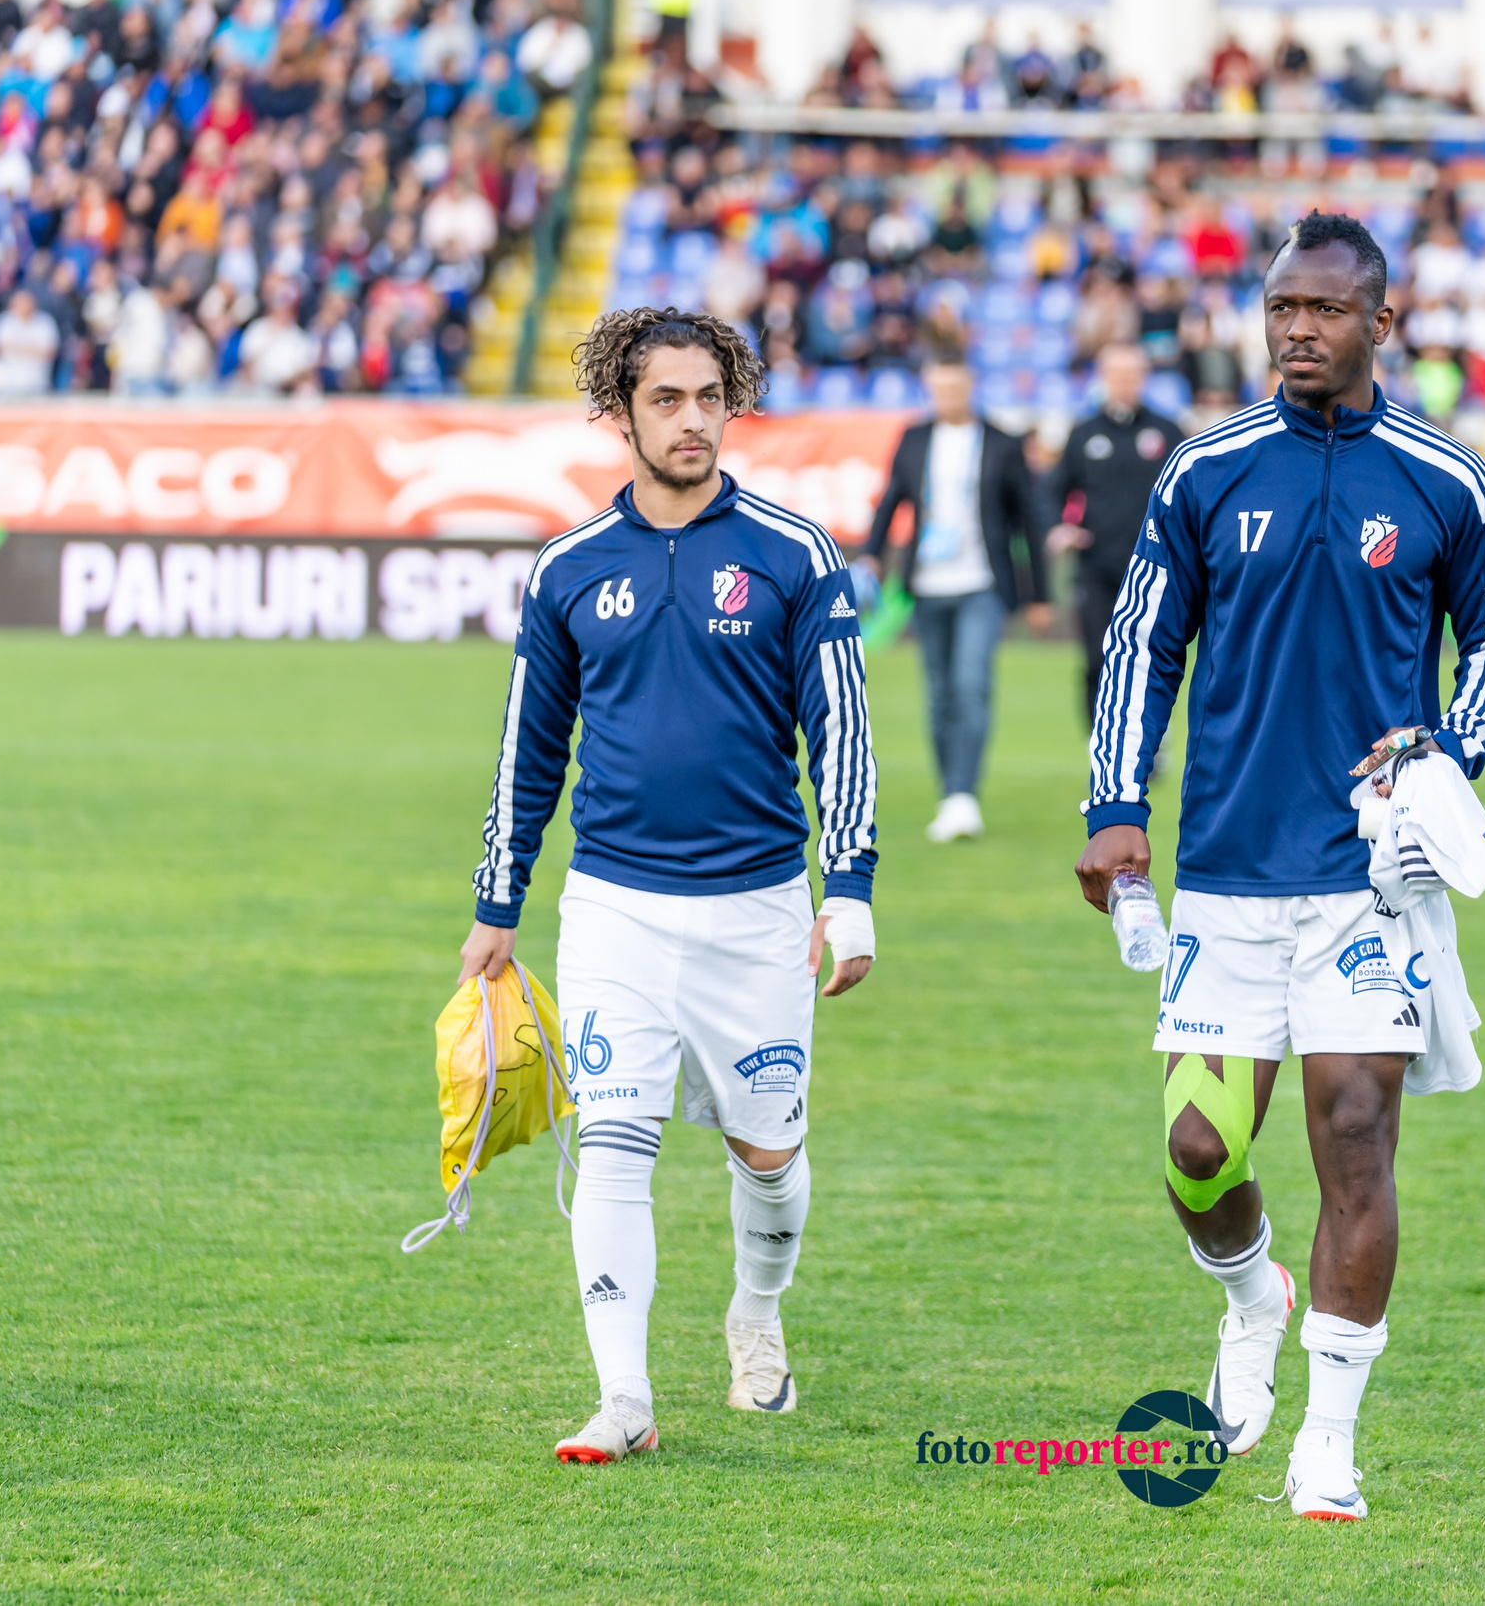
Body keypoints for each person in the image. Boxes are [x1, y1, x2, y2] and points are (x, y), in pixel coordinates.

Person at [1074, 214, 1485, 1521]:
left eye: (1324, 310)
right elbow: (1141, 642)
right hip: (1225, 874)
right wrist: (1116, 804)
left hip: (1369, 886)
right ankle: (1249, 1297)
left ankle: (1327, 1440)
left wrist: (1448, 750)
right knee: (1197, 1150)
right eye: (1281, 307)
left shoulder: (1446, 477)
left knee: (1355, 1136)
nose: (1297, 330)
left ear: (1379, 323)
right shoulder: (1207, 468)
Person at [458, 308, 879, 1464]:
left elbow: (841, 732)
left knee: (768, 1158)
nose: (692, 420)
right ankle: (624, 1398)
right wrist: (498, 905)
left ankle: (757, 1312)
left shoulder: (795, 554)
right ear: (620, 414)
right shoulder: (568, 567)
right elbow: (529, 749)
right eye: (666, 400)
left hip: (758, 911)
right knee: (613, 1142)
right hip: (615, 908)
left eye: (709, 397)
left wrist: (849, 889)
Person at [856, 356, 1049, 844]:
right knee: (939, 696)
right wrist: (873, 554)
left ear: (970, 387)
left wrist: (1039, 594)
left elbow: (1028, 519)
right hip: (927, 585)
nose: (947, 397)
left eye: (954, 388)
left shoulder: (1001, 442)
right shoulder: (914, 438)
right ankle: (950, 793)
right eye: (938, 389)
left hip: (982, 583)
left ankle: (964, 795)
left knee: (970, 684)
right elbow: (892, 499)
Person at [1049, 343, 1182, 718]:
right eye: (1117, 375)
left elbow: (1191, 494)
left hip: (1154, 567)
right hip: (1096, 566)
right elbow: (1052, 490)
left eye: (1132, 375)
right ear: (1103, 379)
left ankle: (1149, 737)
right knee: (1097, 656)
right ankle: (1100, 740)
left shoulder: (1167, 432)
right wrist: (1061, 527)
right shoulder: (1083, 434)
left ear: (1144, 378)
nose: (1125, 382)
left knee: (1150, 656)